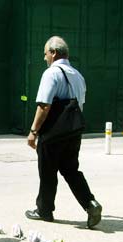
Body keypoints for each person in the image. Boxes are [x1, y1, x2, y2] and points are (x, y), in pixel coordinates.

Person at [25, 36, 102, 228]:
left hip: (53, 132)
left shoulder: (51, 73)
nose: (44, 58)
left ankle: (44, 211)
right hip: (73, 131)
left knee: (47, 171)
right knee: (71, 170)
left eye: (45, 54)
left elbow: (44, 105)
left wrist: (33, 131)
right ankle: (90, 203)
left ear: (53, 53)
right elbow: (80, 105)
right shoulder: (78, 74)